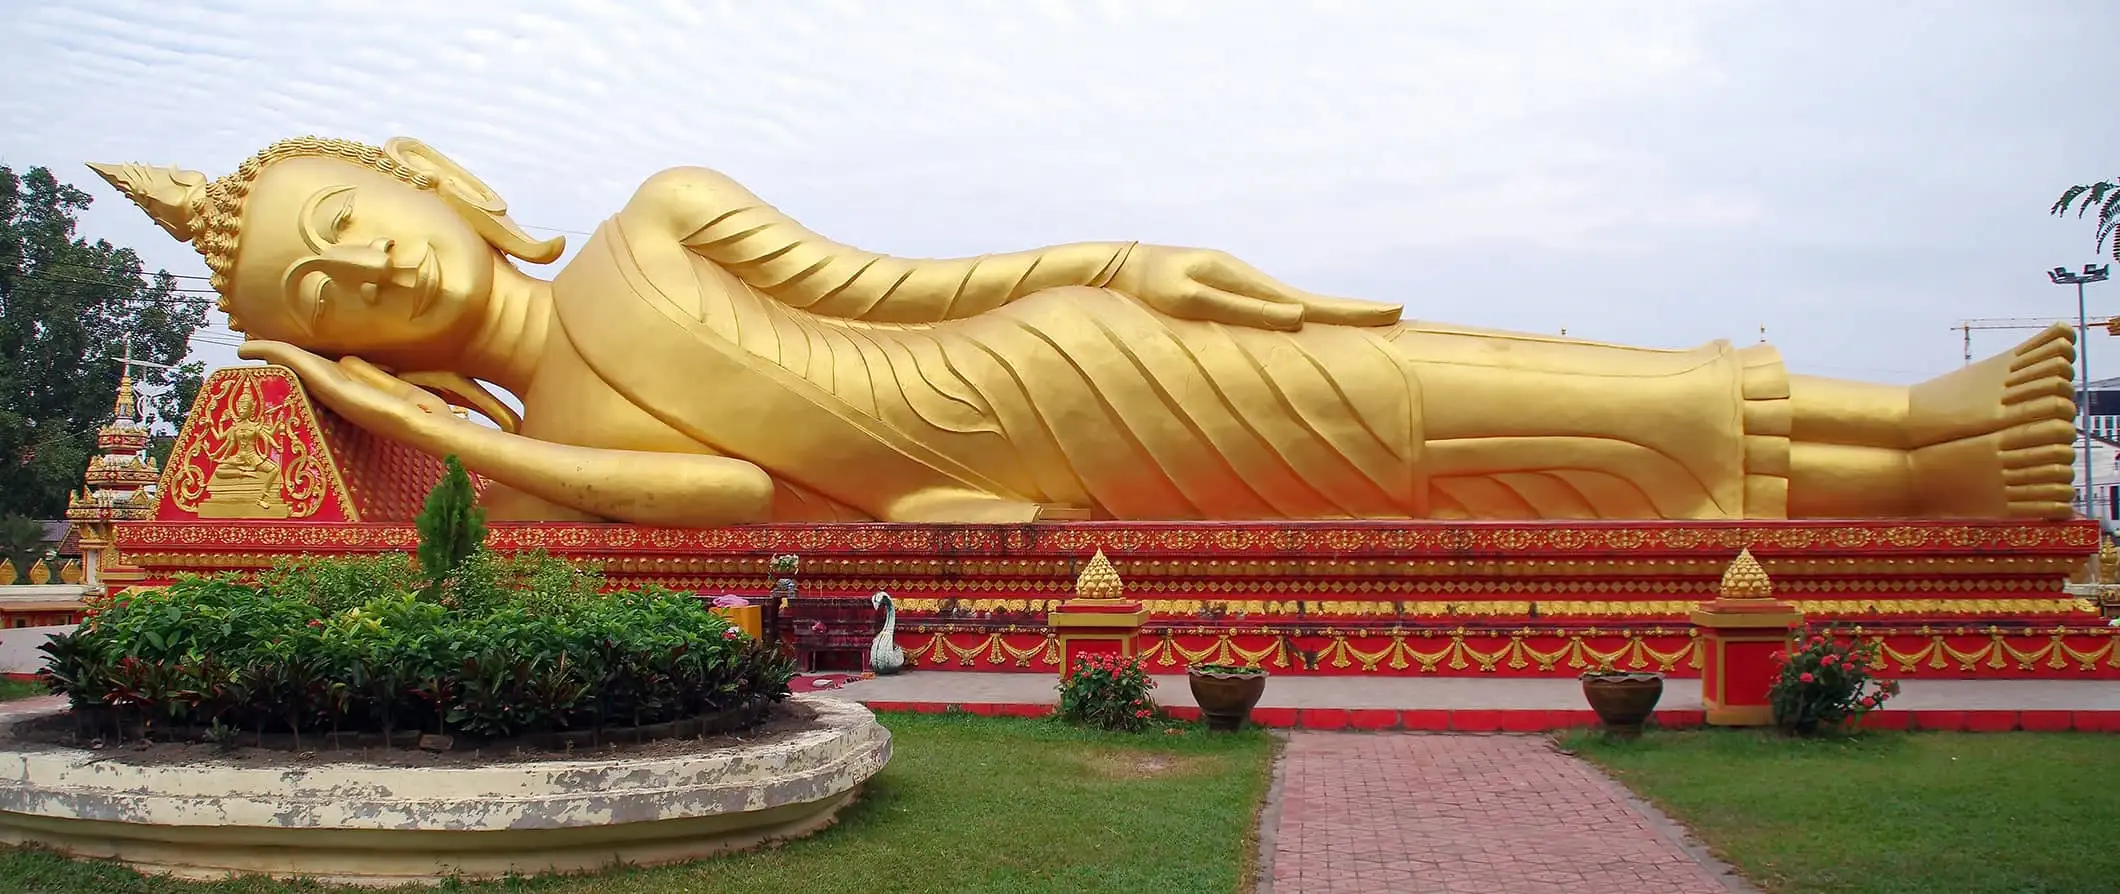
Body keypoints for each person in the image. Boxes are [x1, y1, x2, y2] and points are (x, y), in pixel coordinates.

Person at [91, 137, 2078, 526]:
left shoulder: (656, 215)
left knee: (1439, 375)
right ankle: (1917, 471)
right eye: (327, 302)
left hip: (1064, 355)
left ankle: (1911, 421)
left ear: (429, 177)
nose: (369, 272)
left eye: (357, 225)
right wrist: (453, 438)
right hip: (1028, 479)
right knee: (1420, 469)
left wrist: (1135, 259)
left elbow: (899, 288)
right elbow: (720, 488)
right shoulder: (577, 424)